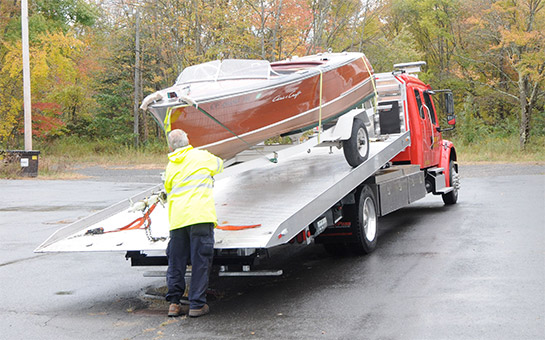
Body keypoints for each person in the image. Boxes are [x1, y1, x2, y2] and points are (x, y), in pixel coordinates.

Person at [164, 129, 223, 317]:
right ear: (188, 140)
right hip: (200, 217)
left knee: (176, 262)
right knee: (200, 262)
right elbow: (219, 165)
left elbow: (167, 188)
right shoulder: (202, 156)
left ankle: (174, 303)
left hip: (178, 220)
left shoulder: (170, 166)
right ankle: (197, 305)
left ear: (171, 146)